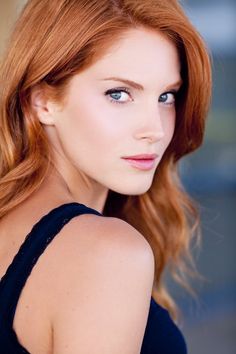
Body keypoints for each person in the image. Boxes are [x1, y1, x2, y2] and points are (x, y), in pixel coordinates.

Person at [0, 0, 212, 353]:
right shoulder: (109, 254)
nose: (155, 130)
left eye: (166, 96)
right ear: (43, 101)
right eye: (119, 94)